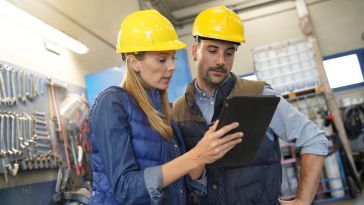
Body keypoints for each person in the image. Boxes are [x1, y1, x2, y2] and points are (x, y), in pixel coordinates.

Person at [172, 5, 328, 205]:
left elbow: (314, 139)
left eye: (229, 53)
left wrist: (302, 201)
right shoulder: (177, 111)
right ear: (195, 51)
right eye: (212, 50)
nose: (221, 61)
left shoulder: (258, 95)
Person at [88, 10, 243, 205]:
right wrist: (195, 157)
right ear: (134, 62)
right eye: (162, 59)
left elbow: (178, 184)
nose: (171, 67)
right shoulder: (112, 104)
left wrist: (205, 155)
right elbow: (125, 189)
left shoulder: (163, 111)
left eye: (172, 58)